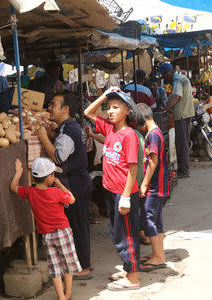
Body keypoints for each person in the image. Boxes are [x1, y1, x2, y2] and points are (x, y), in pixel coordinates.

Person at [84, 88, 140, 291]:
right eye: (109, 108)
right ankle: (127, 269)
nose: (110, 111)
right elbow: (88, 113)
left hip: (123, 193)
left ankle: (133, 278)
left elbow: (133, 167)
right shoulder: (109, 129)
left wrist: (125, 196)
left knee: (128, 235)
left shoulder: (129, 136)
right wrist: (105, 95)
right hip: (111, 190)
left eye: (116, 107)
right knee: (117, 233)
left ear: (127, 111)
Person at [37, 92, 93, 280]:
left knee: (78, 226)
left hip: (75, 184)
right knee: (76, 225)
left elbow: (59, 157)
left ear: (65, 109)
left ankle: (84, 267)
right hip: (77, 182)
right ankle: (79, 264)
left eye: (54, 104)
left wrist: (44, 137)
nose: (50, 108)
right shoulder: (69, 127)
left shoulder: (70, 130)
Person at [10, 157, 81, 300]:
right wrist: (60, 185)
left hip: (47, 236)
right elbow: (72, 199)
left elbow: (13, 188)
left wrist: (18, 172)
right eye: (53, 175)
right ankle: (67, 294)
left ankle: (60, 296)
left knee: (55, 268)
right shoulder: (56, 192)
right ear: (50, 177)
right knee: (68, 265)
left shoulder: (30, 192)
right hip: (63, 233)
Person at [137, 103, 169, 272]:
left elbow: (153, 161)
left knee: (148, 219)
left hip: (154, 185)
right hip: (158, 184)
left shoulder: (153, 135)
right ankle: (159, 252)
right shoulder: (154, 132)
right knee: (156, 219)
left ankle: (158, 256)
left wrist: (144, 184)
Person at [159, 62, 195, 178]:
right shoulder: (180, 78)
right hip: (184, 114)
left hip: (182, 115)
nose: (164, 78)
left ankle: (184, 171)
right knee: (182, 143)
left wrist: (166, 109)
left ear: (169, 73)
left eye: (164, 75)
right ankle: (183, 169)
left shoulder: (177, 80)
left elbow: (177, 96)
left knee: (182, 144)